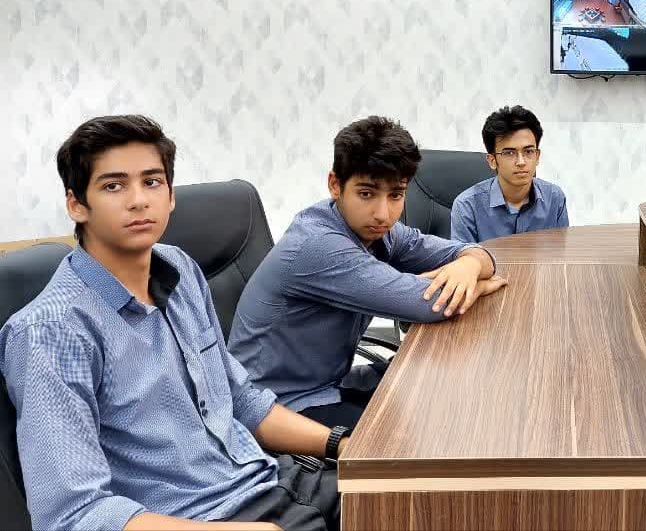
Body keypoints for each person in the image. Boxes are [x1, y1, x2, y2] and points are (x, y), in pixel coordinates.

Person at [1, 115, 344, 530]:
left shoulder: (180, 269)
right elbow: (73, 514)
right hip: (201, 518)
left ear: (170, 196)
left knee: (407, 490)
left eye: (152, 181)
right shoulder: (52, 332)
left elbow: (239, 400)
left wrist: (341, 444)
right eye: (113, 186)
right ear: (76, 204)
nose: (138, 200)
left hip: (270, 478)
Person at [228, 116, 505, 430]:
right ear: (335, 185)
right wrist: (479, 285)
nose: (383, 214)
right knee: (424, 430)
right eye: (366, 194)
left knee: (448, 391)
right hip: (277, 408)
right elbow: (428, 304)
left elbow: (478, 253)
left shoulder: (380, 232)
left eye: (395, 195)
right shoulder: (319, 245)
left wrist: (469, 266)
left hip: (329, 384)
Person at [451, 106, 569, 244]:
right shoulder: (466, 206)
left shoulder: (554, 198)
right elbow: (465, 257)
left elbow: (562, 253)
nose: (521, 162)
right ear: (492, 161)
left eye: (529, 151)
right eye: (509, 153)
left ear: (537, 156)